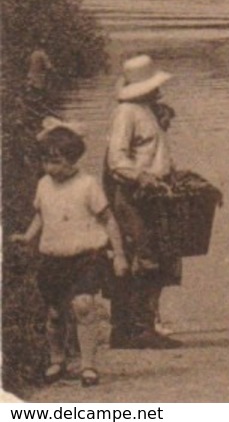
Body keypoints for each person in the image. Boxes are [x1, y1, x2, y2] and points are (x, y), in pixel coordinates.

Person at [11, 122, 127, 387]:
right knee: (54, 312)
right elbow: (41, 215)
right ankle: (57, 360)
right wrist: (28, 237)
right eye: (46, 161)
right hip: (53, 257)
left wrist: (118, 254)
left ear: (73, 159)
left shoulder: (87, 185)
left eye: (57, 161)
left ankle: (88, 365)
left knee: (83, 306)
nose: (50, 168)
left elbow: (109, 220)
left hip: (85, 256)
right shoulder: (43, 185)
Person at [104, 56, 181, 349]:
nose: (159, 91)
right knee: (143, 255)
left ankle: (138, 325)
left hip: (153, 192)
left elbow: (152, 149)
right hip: (135, 194)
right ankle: (135, 328)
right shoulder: (126, 113)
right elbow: (116, 160)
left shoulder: (145, 110)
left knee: (156, 253)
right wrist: (141, 176)